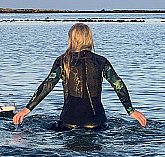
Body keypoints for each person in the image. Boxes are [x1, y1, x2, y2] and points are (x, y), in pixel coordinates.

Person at [13, 23, 147, 130]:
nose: (67, 41)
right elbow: (118, 85)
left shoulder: (62, 61)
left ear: (72, 40)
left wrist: (27, 109)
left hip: (69, 121)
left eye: (68, 38)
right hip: (97, 122)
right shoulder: (101, 61)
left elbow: (48, 85)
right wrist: (131, 110)